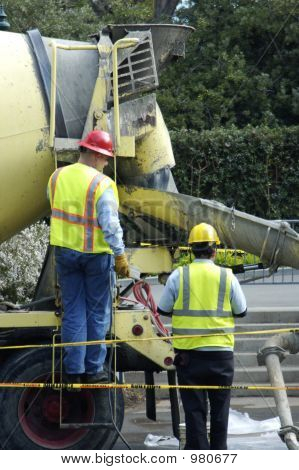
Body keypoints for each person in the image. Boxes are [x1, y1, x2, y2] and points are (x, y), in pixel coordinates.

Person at [48, 129, 129, 384]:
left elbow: (52, 205)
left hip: (64, 252)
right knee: (96, 312)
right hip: (96, 256)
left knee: (73, 311)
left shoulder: (57, 176)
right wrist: (120, 254)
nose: (106, 164)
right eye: (105, 158)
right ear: (95, 155)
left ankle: (74, 371)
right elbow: (109, 224)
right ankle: (94, 370)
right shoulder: (101, 183)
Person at [157, 223, 247, 450]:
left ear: (190, 250)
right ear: (215, 250)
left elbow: (163, 309)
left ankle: (198, 455)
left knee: (194, 412)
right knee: (220, 411)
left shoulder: (179, 275)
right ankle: (219, 454)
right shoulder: (227, 277)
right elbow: (241, 310)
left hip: (189, 358)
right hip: (221, 357)